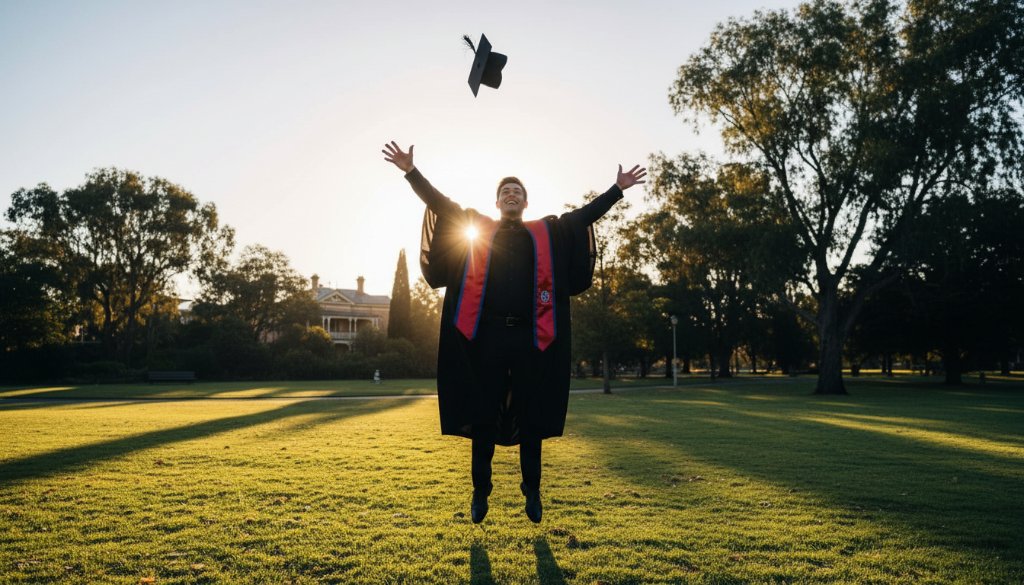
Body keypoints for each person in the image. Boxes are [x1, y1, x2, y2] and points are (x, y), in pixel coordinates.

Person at [382, 141, 645, 523]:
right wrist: (411, 172)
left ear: (525, 202)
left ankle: (532, 490)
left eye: (517, 191)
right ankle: (480, 491)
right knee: (482, 417)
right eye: (505, 191)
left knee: (532, 414)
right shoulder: (476, 227)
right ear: (497, 201)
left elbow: (585, 216)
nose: (511, 194)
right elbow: (441, 204)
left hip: (530, 340)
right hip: (484, 339)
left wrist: (617, 190)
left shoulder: (547, 233)